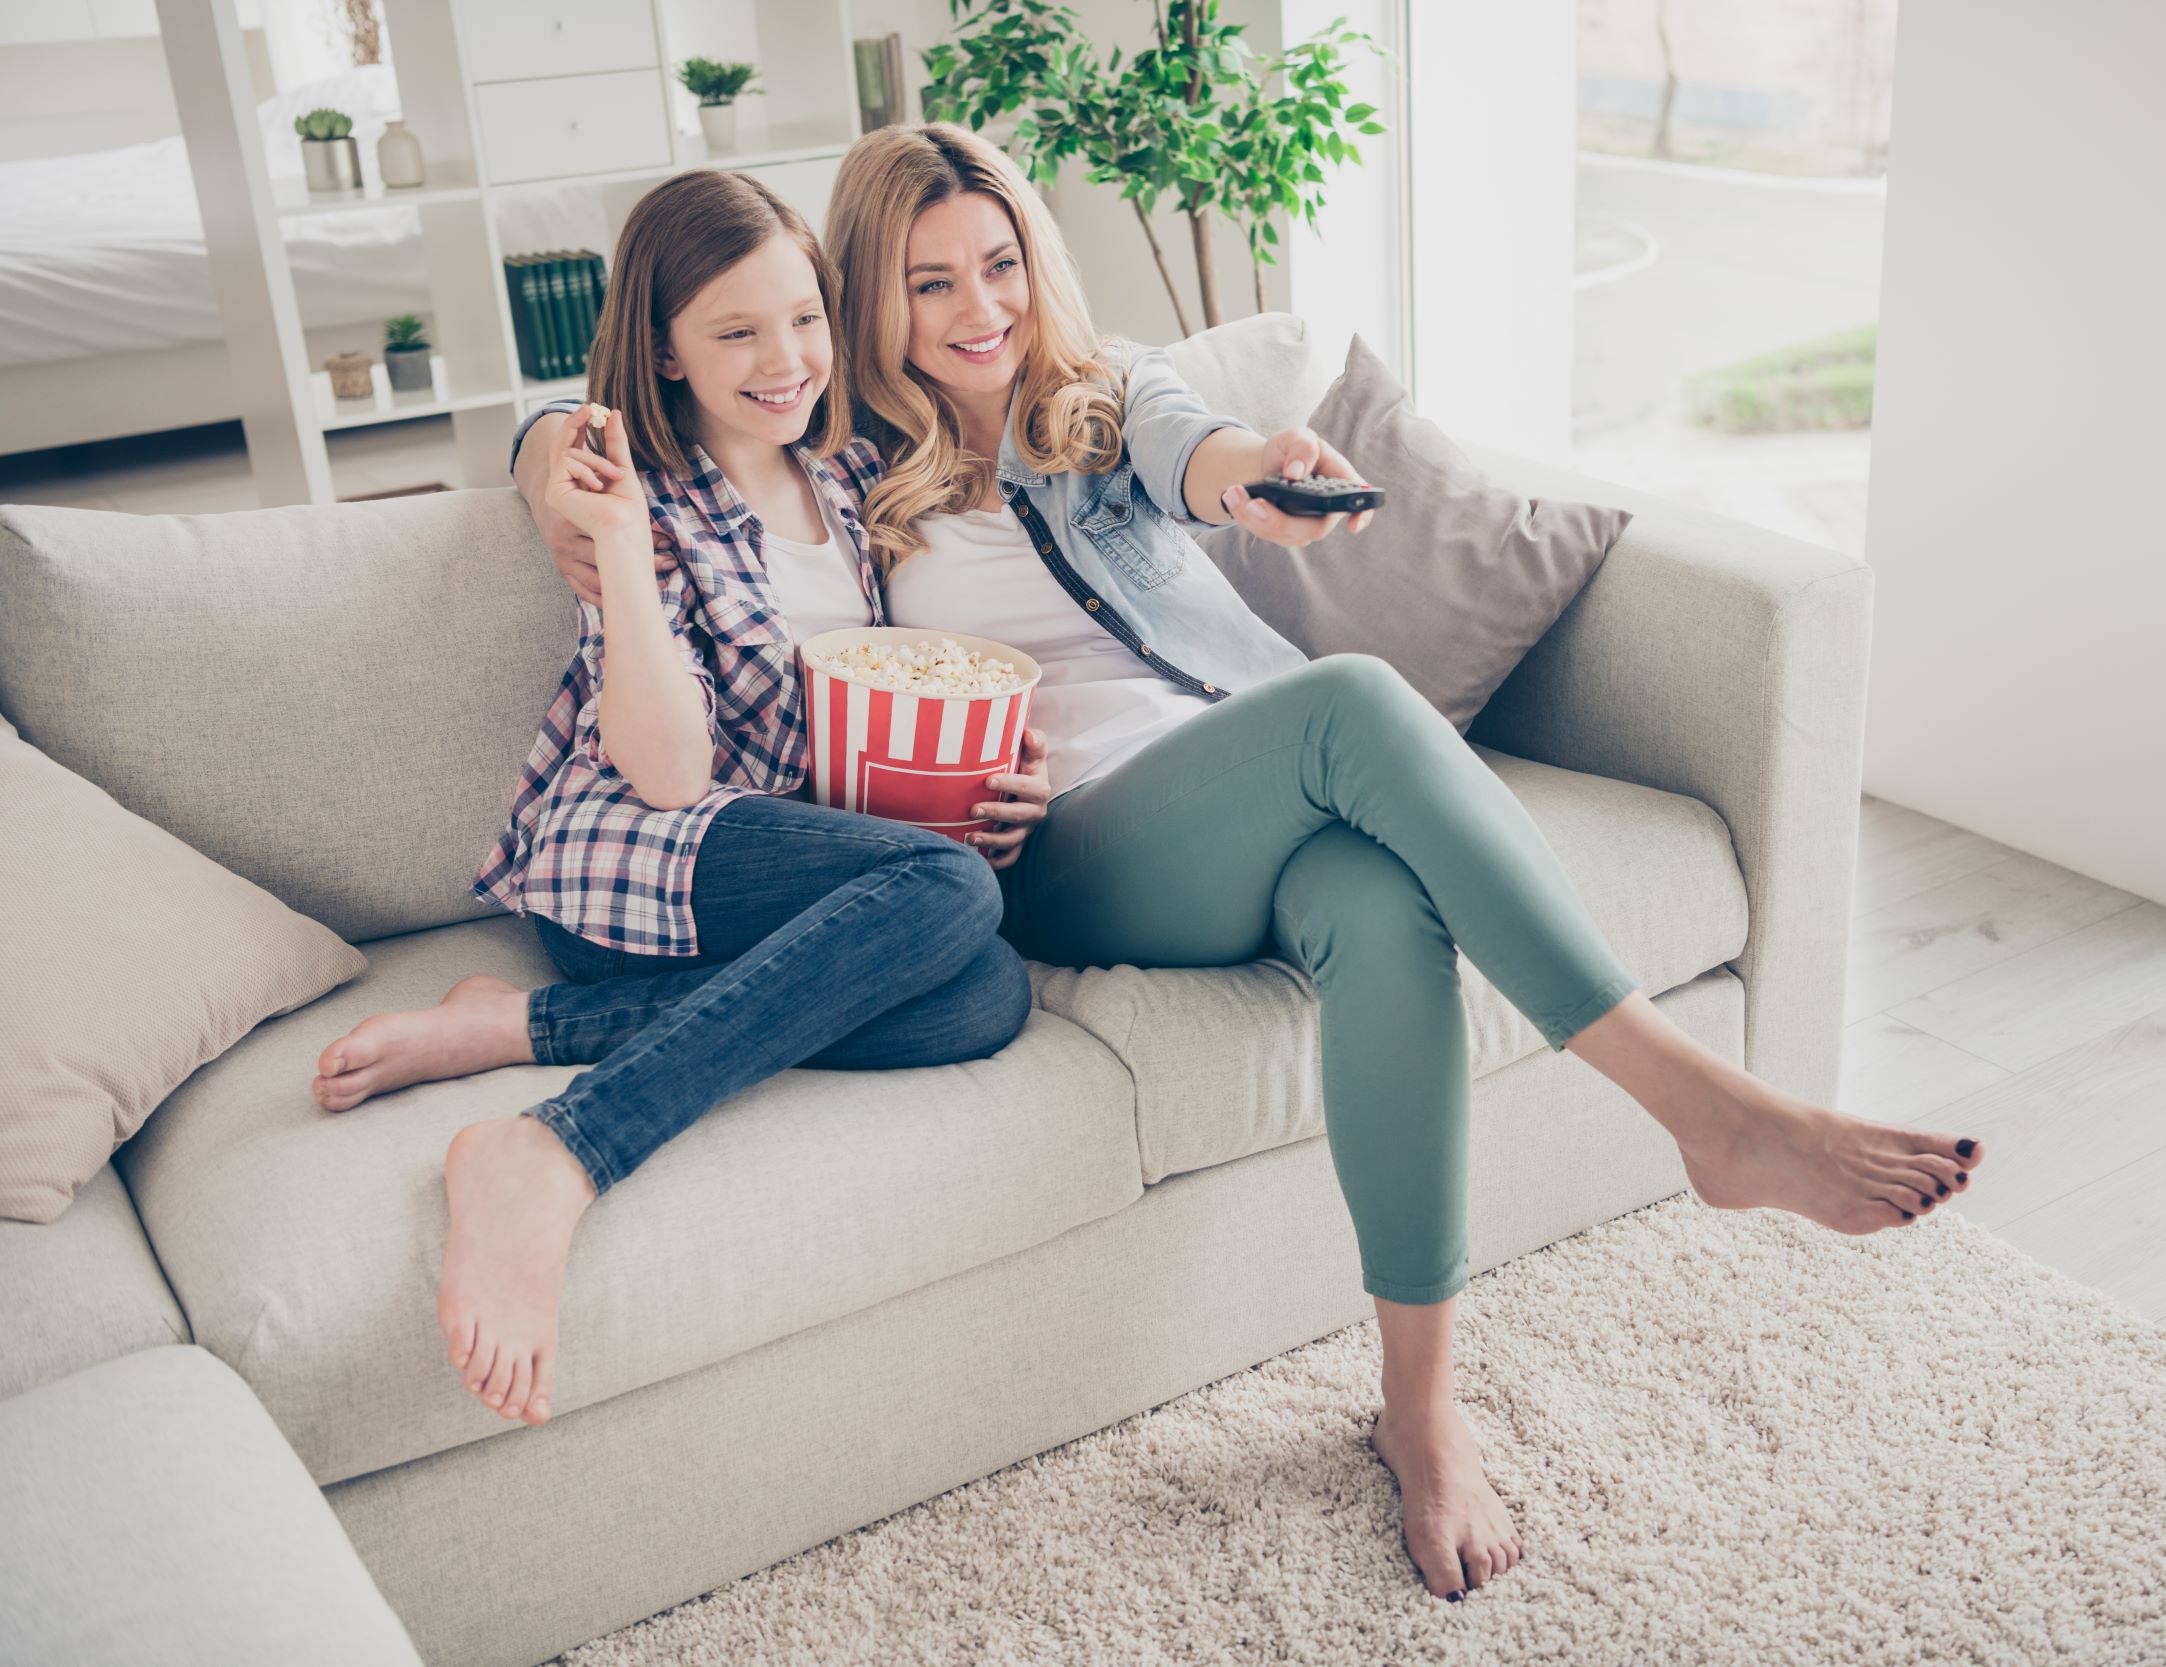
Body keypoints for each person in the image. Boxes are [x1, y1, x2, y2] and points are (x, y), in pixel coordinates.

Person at [513, 124, 1988, 1604]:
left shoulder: (1103, 397)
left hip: (1231, 794)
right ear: (868, 303)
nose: (980, 310)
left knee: (1380, 904)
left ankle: (1420, 1410)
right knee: (1347, 701)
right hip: (1069, 850)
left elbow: (1200, 454)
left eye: (1002, 264)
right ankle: (1706, 1108)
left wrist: (1257, 478)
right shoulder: (845, 453)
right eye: (930, 282)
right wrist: (539, 462)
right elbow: (641, 408)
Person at [309, 169, 1045, 1433]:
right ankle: (555, 1146)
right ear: (662, 349)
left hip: (776, 867)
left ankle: (525, 1025)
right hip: (636, 858)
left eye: (805, 317)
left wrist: (1002, 770)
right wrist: (616, 542)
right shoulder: (644, 502)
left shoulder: (858, 465)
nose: (786, 359)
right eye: (736, 331)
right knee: (945, 890)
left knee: (988, 993)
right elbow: (666, 774)